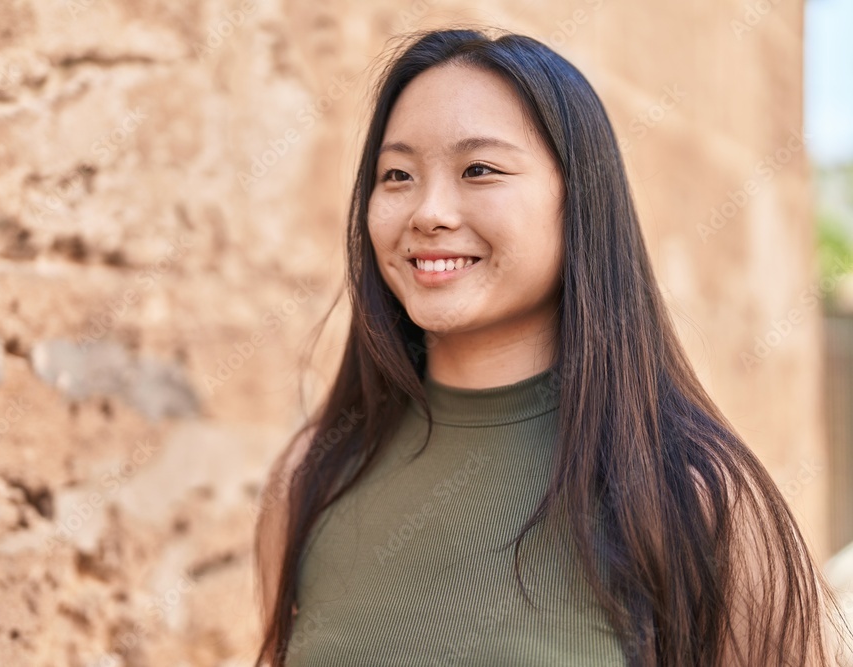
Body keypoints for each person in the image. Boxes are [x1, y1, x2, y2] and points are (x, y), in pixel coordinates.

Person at [252, 27, 853, 666]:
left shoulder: (692, 497)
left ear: (579, 200)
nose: (427, 211)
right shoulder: (310, 482)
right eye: (396, 174)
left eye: (479, 169)